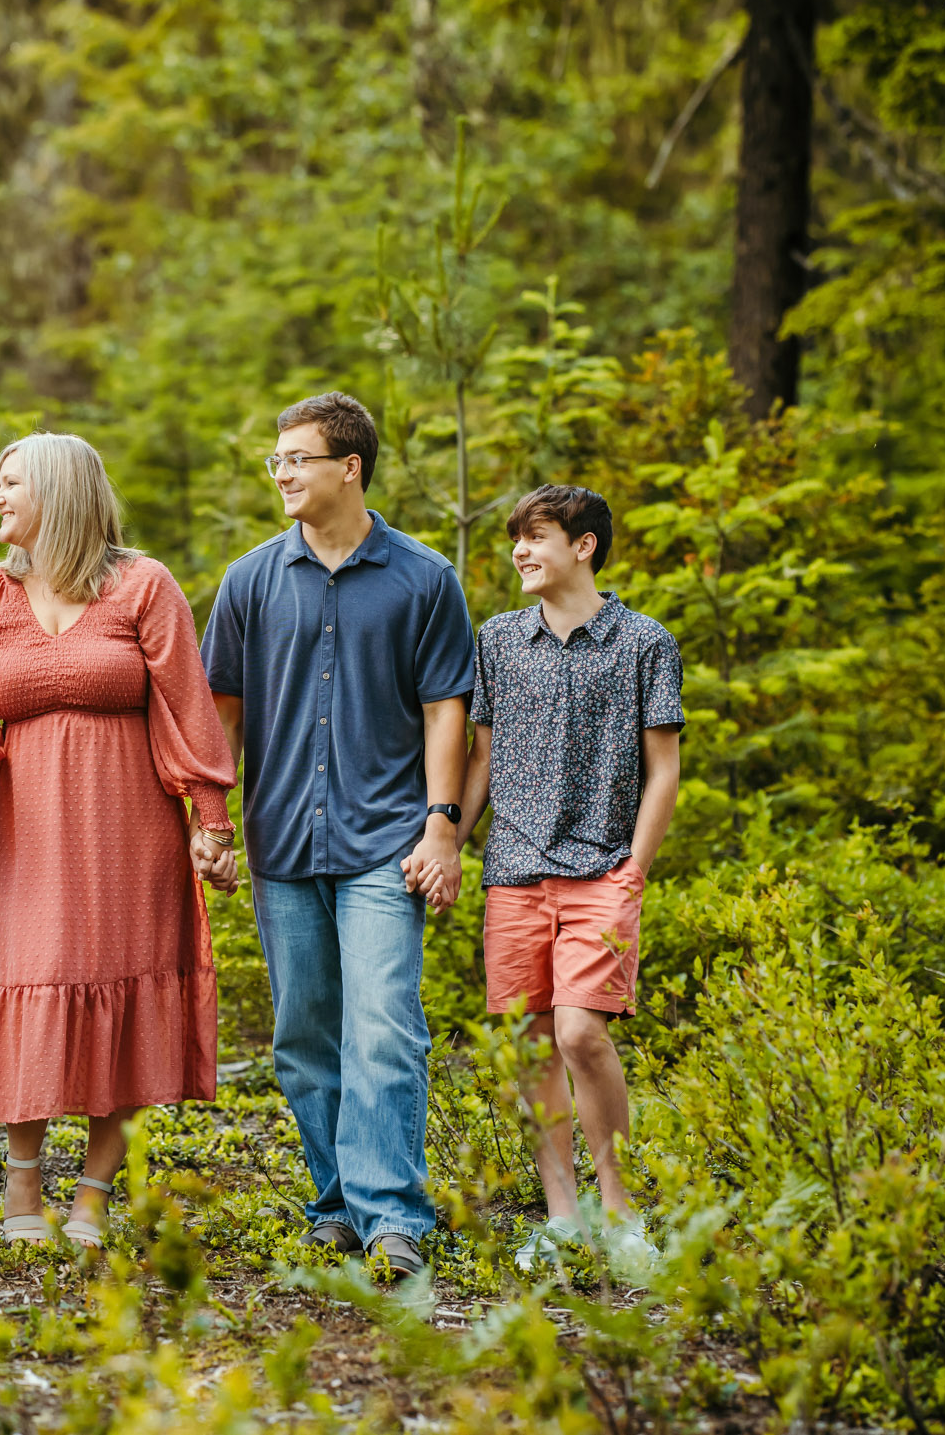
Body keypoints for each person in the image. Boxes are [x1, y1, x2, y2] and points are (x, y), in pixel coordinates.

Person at [0, 434, 239, 1248]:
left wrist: (212, 821)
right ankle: (22, 1185)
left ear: (58, 493)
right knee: (32, 975)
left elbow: (188, 710)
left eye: (11, 483)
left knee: (120, 983)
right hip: (29, 833)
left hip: (130, 831)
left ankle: (93, 1197)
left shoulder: (143, 586)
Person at [201, 391, 474, 1282]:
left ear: (349, 468)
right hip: (281, 840)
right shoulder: (249, 581)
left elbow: (446, 709)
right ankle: (336, 1204)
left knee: (386, 1027)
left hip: (386, 840)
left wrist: (443, 825)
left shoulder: (425, 579)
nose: (281, 473)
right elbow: (221, 716)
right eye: (275, 460)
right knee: (304, 1034)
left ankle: (393, 1214)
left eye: (297, 458)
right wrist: (212, 823)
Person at [435, 485, 683, 1283]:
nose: (519, 550)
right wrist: (448, 843)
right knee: (532, 1044)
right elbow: (481, 758)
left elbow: (664, 768)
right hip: (512, 872)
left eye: (536, 535)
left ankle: (620, 1210)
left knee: (582, 1032)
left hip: (603, 868)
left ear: (583, 546)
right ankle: (563, 1218)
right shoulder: (499, 639)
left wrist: (635, 867)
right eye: (516, 537)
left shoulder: (645, 641)